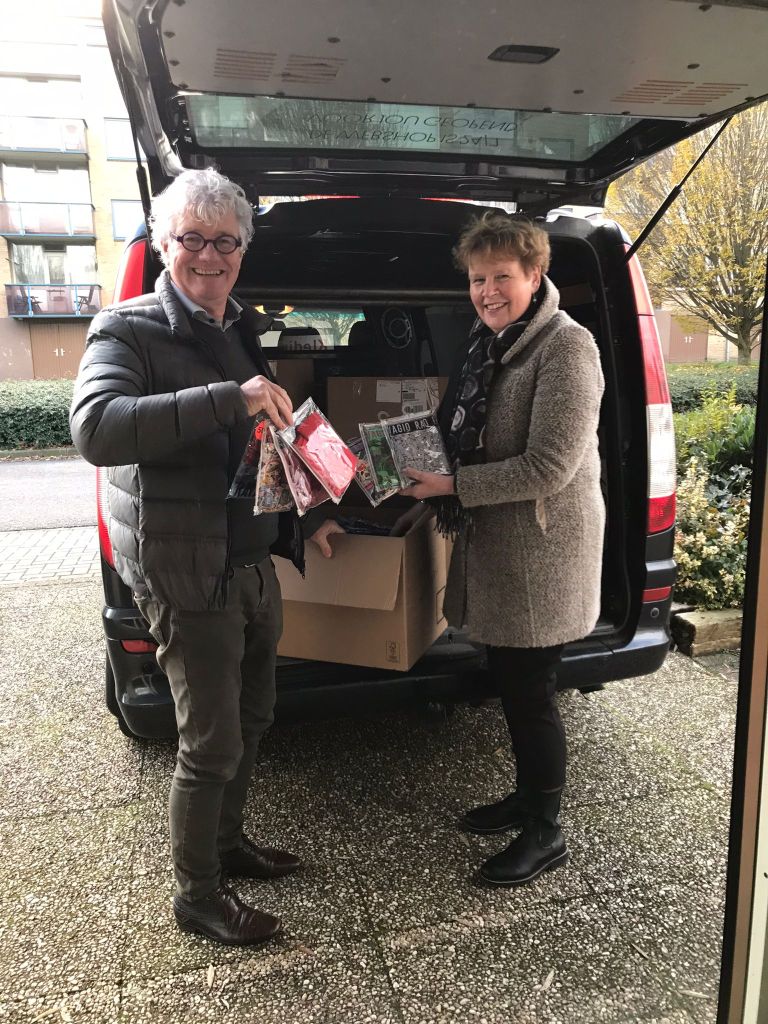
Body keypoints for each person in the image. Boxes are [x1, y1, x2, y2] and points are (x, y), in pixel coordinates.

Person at [70, 168, 342, 945]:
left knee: (254, 717)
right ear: (165, 244)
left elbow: (264, 438)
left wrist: (311, 515)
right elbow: (96, 428)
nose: (209, 255)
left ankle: (227, 845)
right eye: (192, 238)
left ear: (242, 251)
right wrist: (230, 397)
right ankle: (196, 895)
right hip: (189, 573)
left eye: (226, 241)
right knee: (209, 741)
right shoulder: (126, 329)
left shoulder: (237, 327)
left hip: (251, 561)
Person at [401, 211, 605, 886]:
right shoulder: (490, 343)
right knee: (512, 684)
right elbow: (466, 429)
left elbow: (549, 467)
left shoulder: (566, 348)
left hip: (543, 554)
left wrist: (451, 484)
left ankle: (546, 831)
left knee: (531, 692)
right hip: (501, 546)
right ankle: (526, 799)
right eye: (477, 279)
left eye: (502, 277)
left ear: (535, 275)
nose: (487, 291)